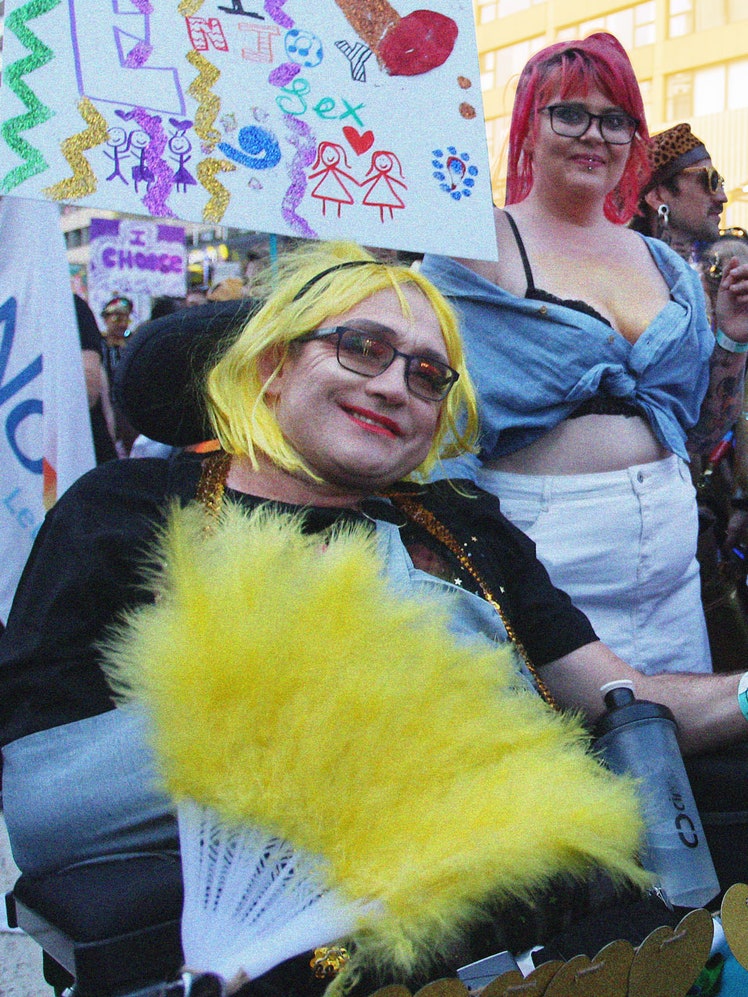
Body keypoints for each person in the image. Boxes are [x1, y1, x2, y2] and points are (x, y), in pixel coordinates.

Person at [0, 242, 746, 992]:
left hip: (552, 935)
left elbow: (622, 697)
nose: (395, 386)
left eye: (427, 374)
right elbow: (47, 809)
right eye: (362, 347)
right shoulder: (126, 510)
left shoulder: (462, 524)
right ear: (273, 365)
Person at [420, 32, 748, 678]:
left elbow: (700, 435)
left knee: (686, 774)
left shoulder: (667, 267)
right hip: (539, 582)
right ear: (527, 127)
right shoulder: (474, 248)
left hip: (674, 588)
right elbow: (424, 418)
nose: (594, 134)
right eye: (569, 113)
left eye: (615, 119)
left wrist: (733, 338)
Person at [630, 123, 728, 263]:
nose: (722, 197)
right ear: (657, 196)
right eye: (708, 180)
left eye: (719, 182)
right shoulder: (625, 268)